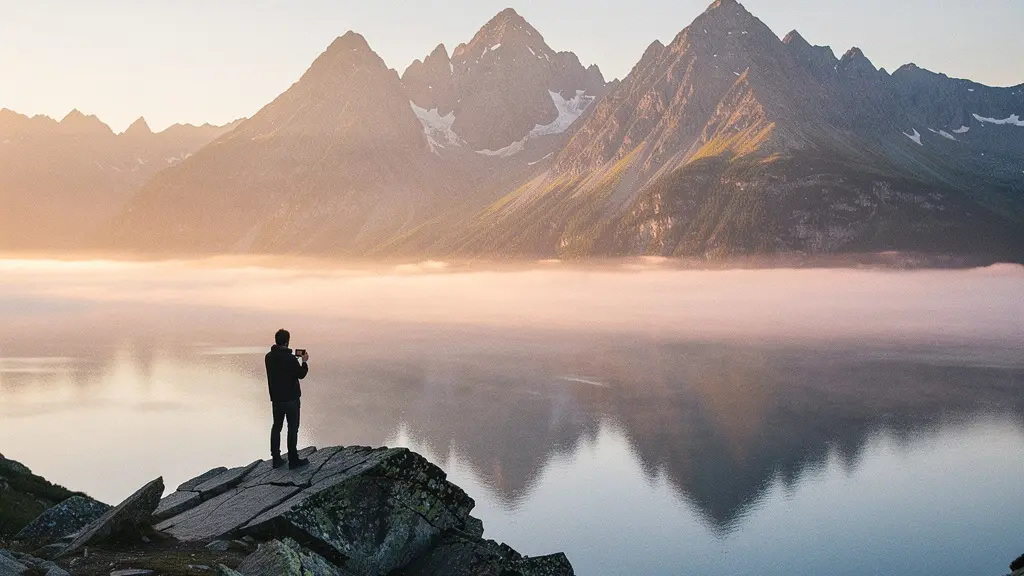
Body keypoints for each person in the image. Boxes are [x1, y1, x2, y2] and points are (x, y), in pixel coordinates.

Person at [265, 329, 310, 469]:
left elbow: (280, 369)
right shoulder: (290, 359)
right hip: (291, 399)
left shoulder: (268, 357)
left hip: (277, 399)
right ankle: (293, 459)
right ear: (287, 341)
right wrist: (304, 362)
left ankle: (276, 458)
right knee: (292, 428)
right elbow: (301, 374)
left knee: (276, 427)